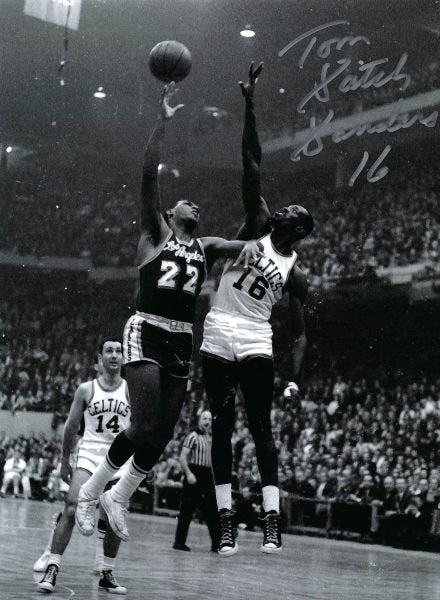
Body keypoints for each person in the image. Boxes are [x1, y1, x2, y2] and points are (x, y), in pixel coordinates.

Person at [75, 85, 260, 544]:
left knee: (162, 433)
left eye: (196, 204)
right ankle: (91, 493)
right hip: (147, 328)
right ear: (171, 213)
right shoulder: (156, 233)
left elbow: (249, 241)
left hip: (181, 336)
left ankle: (119, 497)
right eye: (185, 202)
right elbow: (147, 175)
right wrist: (161, 121)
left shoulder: (207, 246)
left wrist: (266, 242)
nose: (193, 204)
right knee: (142, 425)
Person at [200, 63, 314, 556]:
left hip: (254, 334)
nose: (282, 209)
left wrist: (295, 377)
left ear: (299, 229)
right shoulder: (257, 223)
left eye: (292, 212)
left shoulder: (296, 273)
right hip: (219, 326)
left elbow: (301, 333)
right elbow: (252, 159)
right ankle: (225, 520)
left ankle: (271, 519)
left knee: (261, 425)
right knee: (222, 424)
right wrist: (250, 104)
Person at [37, 339, 129, 594]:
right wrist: (65, 460)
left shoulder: (131, 390)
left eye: (119, 351)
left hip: (118, 457)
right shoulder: (86, 389)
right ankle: (52, 566)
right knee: (71, 506)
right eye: (109, 351)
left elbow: (140, 428)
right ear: (100, 358)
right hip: (89, 454)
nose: (114, 355)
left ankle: (107, 572)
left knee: (114, 514)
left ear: (123, 358)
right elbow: (70, 428)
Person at [173, 410, 219, 552]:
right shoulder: (193, 436)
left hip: (207, 475)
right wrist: (188, 473)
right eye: (205, 419)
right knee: (187, 510)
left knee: (212, 510)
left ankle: (216, 543)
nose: (207, 422)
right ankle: (179, 542)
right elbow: (182, 457)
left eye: (210, 420)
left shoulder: (210, 438)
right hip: (195, 472)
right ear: (199, 420)